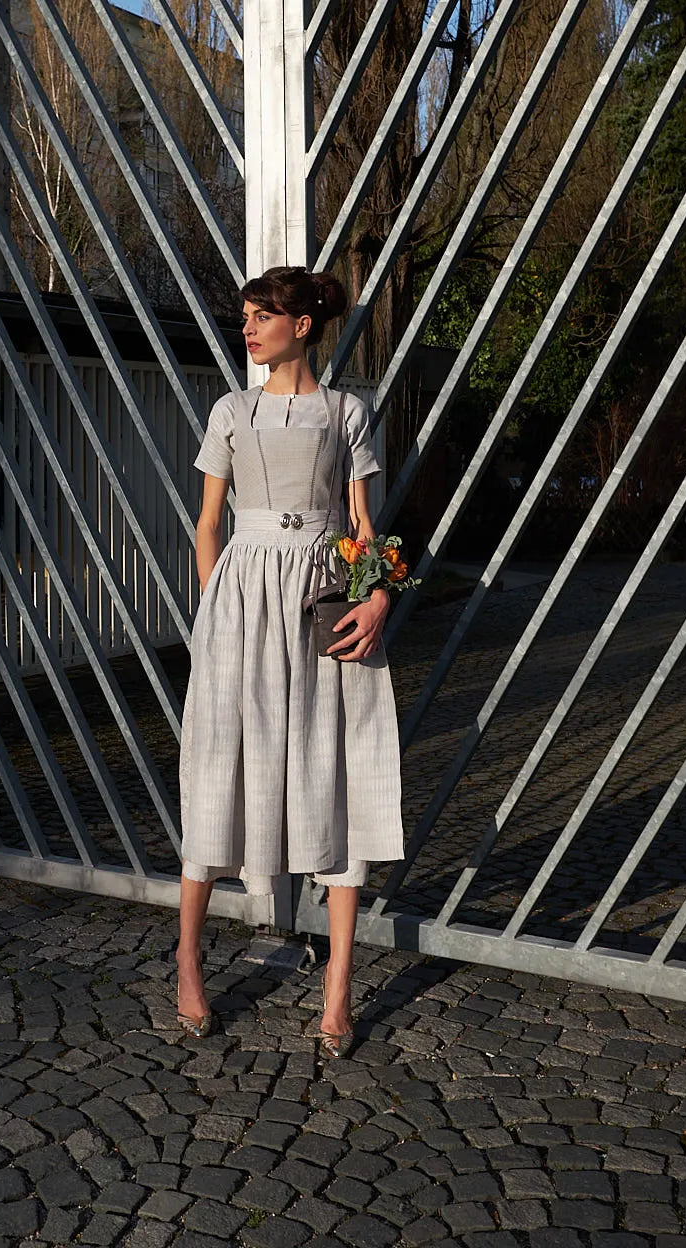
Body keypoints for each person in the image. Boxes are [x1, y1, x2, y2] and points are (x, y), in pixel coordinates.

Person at [176, 265, 404, 1057]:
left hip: (321, 599)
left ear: (302, 324)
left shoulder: (346, 410)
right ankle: (188, 963)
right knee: (219, 767)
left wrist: (376, 600)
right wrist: (213, 613)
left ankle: (338, 988)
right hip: (239, 601)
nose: (248, 328)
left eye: (262, 315)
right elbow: (206, 524)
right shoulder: (230, 409)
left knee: (332, 769)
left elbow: (365, 527)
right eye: (243, 316)